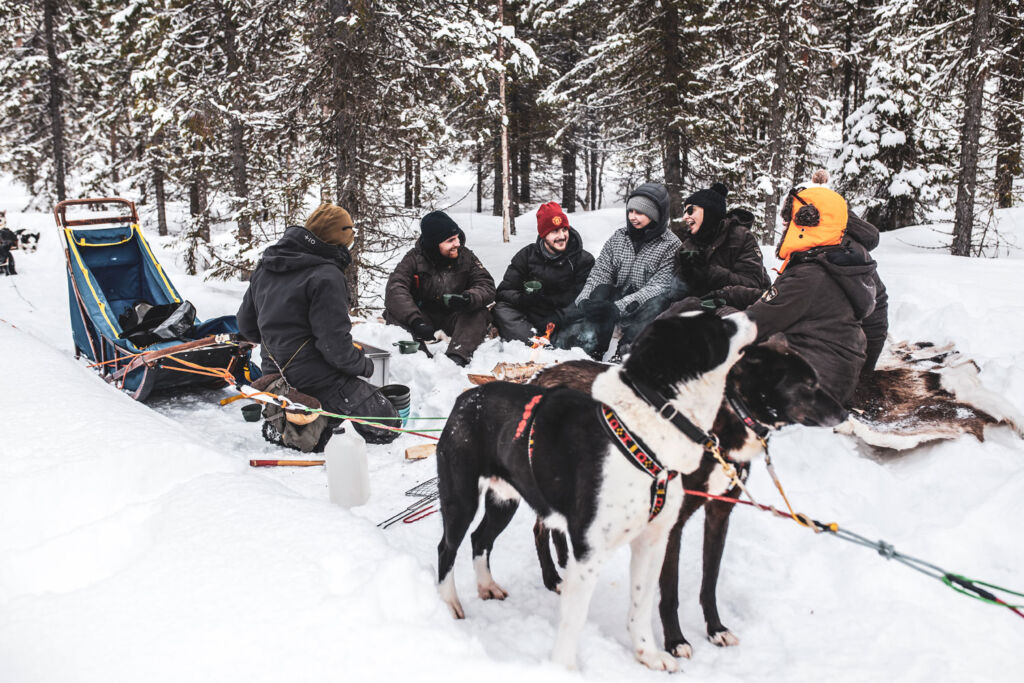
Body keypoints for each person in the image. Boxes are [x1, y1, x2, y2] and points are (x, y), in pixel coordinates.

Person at [237, 203, 400, 446]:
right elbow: (334, 347)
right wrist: (364, 366)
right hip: (318, 380)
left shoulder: (266, 266)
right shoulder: (326, 275)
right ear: (340, 242)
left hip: (273, 375)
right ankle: (316, 428)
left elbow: (247, 326)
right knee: (389, 423)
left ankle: (293, 420)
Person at [738, 183, 879, 405]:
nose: (784, 224)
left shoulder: (812, 273)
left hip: (814, 386)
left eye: (789, 217)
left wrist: (710, 318)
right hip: (834, 374)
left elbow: (756, 323)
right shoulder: (838, 259)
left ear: (807, 220)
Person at [558, 182, 681, 360]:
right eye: (630, 211)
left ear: (656, 215)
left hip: (643, 312)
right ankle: (591, 347)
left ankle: (625, 351)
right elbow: (600, 272)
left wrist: (618, 308)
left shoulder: (671, 245)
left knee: (659, 300)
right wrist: (585, 300)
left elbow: (659, 286)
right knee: (601, 289)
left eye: (640, 212)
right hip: (614, 308)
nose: (632, 217)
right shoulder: (619, 238)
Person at [384, 211, 496, 366]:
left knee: (479, 312)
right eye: (450, 240)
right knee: (394, 314)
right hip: (423, 316)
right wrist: (415, 320)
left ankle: (457, 357)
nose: (457, 243)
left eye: (457, 237)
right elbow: (396, 288)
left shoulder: (466, 256)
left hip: (456, 316)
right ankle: (420, 358)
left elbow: (486, 284)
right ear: (434, 244)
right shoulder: (413, 258)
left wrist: (468, 298)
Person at [492, 202, 595, 344]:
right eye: (554, 231)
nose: (561, 236)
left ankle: (552, 342)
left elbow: (587, 298)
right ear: (544, 234)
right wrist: (523, 299)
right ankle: (534, 339)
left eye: (564, 229)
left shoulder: (584, 260)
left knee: (594, 319)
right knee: (500, 309)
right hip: (531, 316)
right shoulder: (526, 255)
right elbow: (504, 291)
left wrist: (559, 317)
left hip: (565, 319)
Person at [673, 182, 769, 305]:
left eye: (691, 211)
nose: (685, 217)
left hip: (737, 309)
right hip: (699, 308)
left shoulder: (741, 238)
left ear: (709, 212)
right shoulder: (687, 246)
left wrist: (709, 272)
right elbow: (674, 294)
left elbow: (753, 285)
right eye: (685, 212)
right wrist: (685, 274)